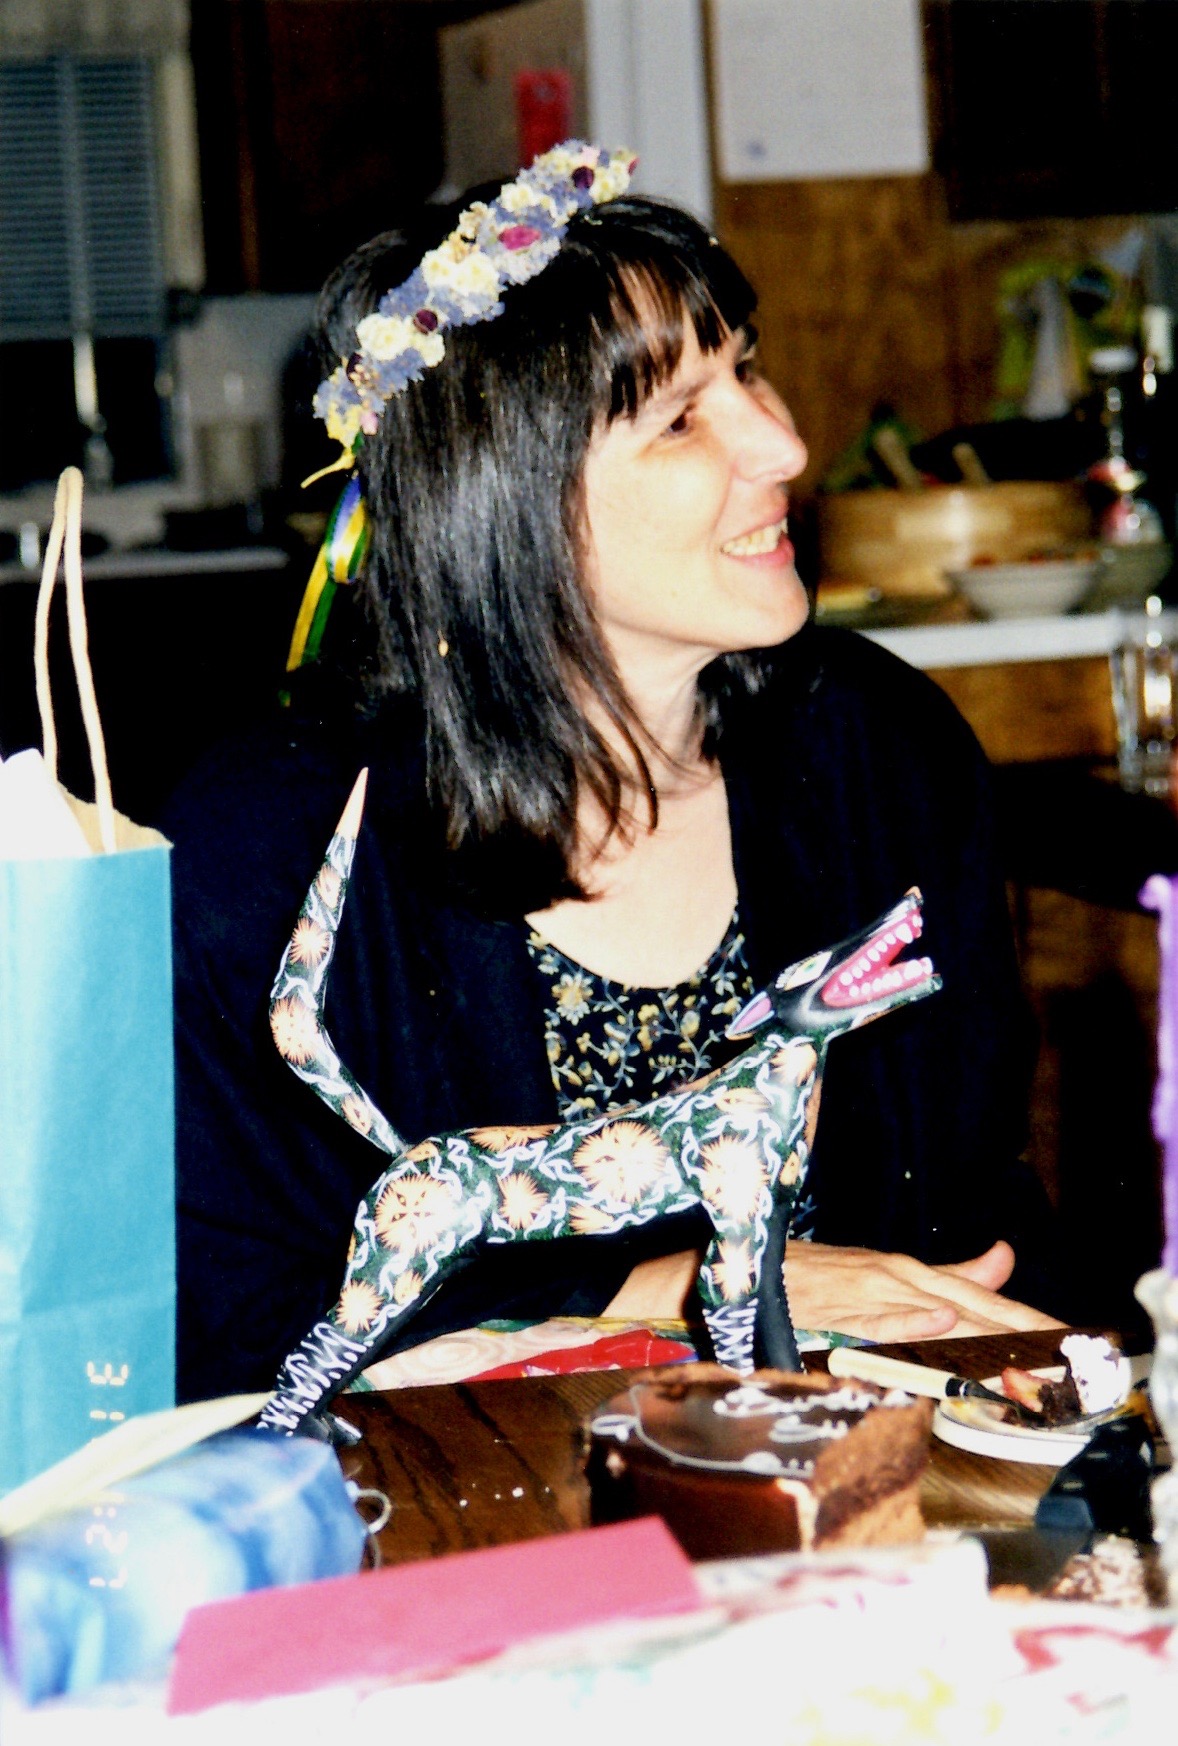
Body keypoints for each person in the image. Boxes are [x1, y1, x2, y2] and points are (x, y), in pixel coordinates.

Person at [164, 144, 1061, 1404]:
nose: (782, 444)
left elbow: (966, 1218)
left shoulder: (881, 751)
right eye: (680, 418)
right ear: (508, 499)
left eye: (746, 368)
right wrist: (661, 1294)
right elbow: (225, 1329)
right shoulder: (266, 851)